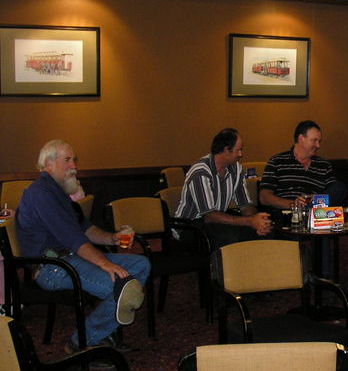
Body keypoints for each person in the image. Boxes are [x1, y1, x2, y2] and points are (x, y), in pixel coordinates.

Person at [15, 140, 150, 354]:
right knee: (120, 287)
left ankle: (103, 330)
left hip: (70, 258)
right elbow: (73, 239)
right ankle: (82, 343)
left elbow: (84, 229)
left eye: (74, 159)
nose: (74, 165)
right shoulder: (40, 193)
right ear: (48, 163)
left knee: (140, 264)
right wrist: (105, 263)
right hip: (52, 267)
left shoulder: (58, 192)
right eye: (67, 160)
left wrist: (112, 238)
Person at [176, 128, 271, 249]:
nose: (241, 155)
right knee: (230, 236)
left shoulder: (236, 169)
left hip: (217, 220)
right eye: (239, 150)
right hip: (190, 226)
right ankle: (222, 267)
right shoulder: (201, 171)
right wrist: (250, 221)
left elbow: (245, 205)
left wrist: (259, 222)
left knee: (264, 232)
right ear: (226, 150)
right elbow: (209, 215)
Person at [259, 120, 348, 214]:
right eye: (314, 141)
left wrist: (317, 199)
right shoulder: (277, 161)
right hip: (287, 215)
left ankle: (308, 208)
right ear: (301, 138)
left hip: (316, 215)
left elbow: (334, 193)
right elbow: (264, 197)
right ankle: (306, 208)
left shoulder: (324, 165)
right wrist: (293, 204)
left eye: (319, 141)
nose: (318, 145)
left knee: (340, 187)